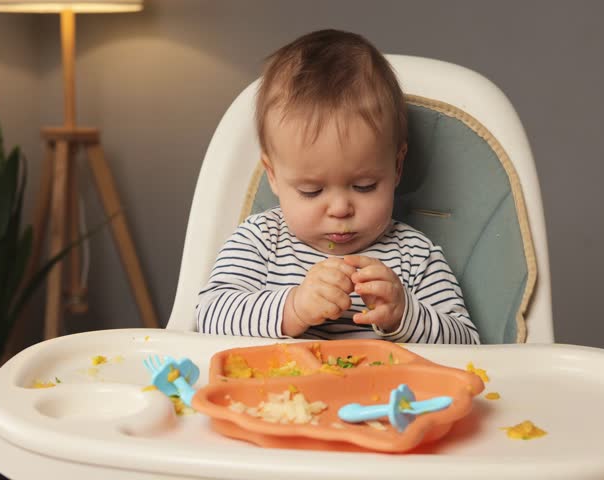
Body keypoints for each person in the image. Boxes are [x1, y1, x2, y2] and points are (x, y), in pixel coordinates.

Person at [196, 29, 479, 344]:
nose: (340, 209)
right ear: (273, 176)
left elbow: (467, 342)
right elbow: (209, 315)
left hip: (387, 393)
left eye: (364, 185)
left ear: (397, 167)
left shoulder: (414, 256)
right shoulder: (261, 242)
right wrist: (293, 307)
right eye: (311, 191)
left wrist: (405, 315)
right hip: (280, 392)